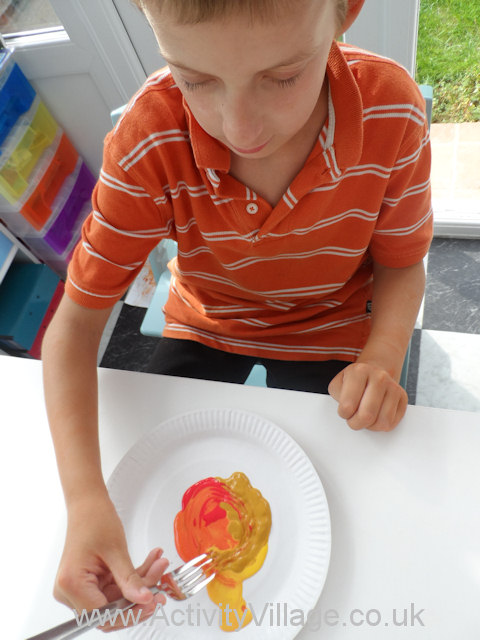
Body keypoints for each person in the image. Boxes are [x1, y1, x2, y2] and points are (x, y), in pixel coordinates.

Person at [41, 0, 432, 627]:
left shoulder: (392, 111)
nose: (239, 126)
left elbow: (402, 264)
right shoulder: (151, 137)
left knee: (357, 501)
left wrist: (383, 356)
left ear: (344, 13)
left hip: (333, 329)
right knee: (156, 481)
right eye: (195, 80)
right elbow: (76, 324)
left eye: (282, 77)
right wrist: (85, 500)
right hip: (209, 321)